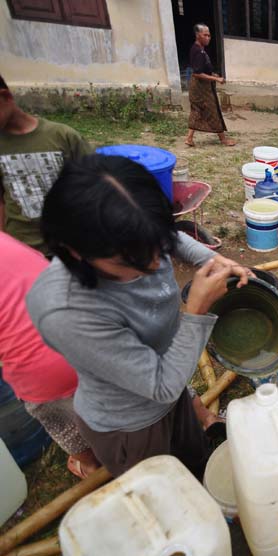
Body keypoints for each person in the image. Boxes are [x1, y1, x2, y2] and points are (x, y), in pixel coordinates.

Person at [26, 154, 251, 478]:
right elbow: (160, 386)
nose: (152, 265)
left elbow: (169, 237)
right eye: (129, 261)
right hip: (130, 425)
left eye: (154, 247)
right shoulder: (66, 310)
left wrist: (213, 261)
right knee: (163, 492)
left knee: (197, 464)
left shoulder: (136, 237)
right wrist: (196, 311)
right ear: (76, 250)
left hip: (173, 393)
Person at [0, 231, 100, 479]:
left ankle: (90, 464)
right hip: (94, 328)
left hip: (46, 371)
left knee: (63, 422)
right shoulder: (6, 241)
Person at [0, 74, 92, 253]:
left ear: (5, 97)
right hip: (21, 247)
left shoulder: (63, 136)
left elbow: (94, 188)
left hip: (68, 246)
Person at [184, 24, 235, 148]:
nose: (208, 38)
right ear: (198, 35)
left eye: (209, 35)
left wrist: (211, 74)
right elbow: (197, 74)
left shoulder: (199, 49)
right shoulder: (197, 51)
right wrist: (216, 78)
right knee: (213, 111)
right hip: (200, 87)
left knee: (197, 110)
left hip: (200, 86)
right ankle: (223, 140)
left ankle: (189, 138)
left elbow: (201, 70)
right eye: (205, 35)